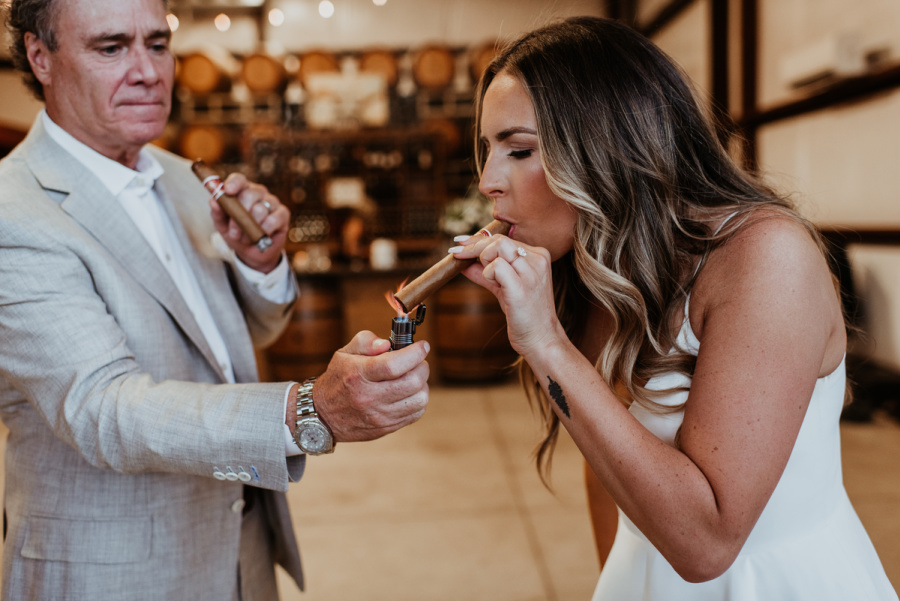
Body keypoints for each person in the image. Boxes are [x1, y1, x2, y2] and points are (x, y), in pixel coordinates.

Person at [449, 16, 898, 600]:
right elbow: (606, 459)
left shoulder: (766, 257)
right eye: (488, 149)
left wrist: (547, 344)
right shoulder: (598, 265)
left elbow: (706, 545)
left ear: (609, 144)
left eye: (520, 150)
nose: (487, 181)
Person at [0, 0, 429, 599]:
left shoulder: (181, 176)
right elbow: (102, 409)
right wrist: (308, 412)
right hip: (116, 571)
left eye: (157, 43)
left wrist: (262, 265)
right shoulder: (14, 212)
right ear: (40, 56)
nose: (149, 71)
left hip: (238, 549)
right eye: (110, 47)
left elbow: (236, 338)